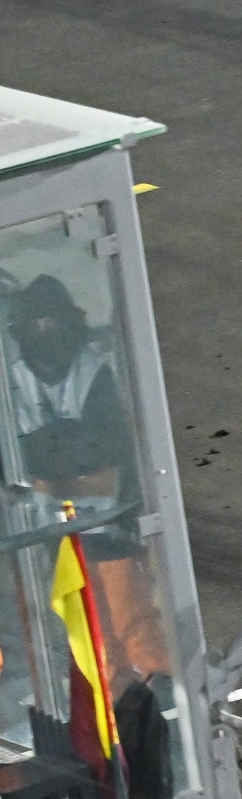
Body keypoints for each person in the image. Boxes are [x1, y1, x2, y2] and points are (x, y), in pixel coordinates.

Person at [4, 275, 170, 692]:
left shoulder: (95, 374)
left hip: (106, 532)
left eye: (52, 323)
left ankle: (166, 707)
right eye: (36, 325)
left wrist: (46, 483)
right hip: (43, 542)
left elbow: (109, 475)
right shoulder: (11, 381)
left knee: (139, 636)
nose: (46, 336)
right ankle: (119, 724)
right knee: (93, 647)